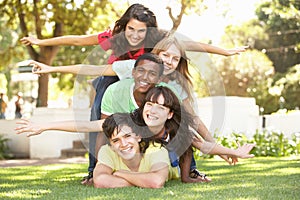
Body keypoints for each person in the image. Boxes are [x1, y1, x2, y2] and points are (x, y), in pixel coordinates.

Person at [20, 3, 248, 184]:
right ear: (124, 26)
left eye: (142, 31)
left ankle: (191, 170)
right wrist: (44, 51)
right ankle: (94, 169)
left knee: (183, 121)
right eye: (131, 29)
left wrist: (223, 52)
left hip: (148, 78)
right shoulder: (115, 42)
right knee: (100, 110)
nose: (136, 35)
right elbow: (81, 47)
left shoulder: (160, 55)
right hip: (119, 76)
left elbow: (190, 45)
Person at [15, 86, 255, 185]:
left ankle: (187, 176)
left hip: (168, 157)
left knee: (187, 146)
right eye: (149, 103)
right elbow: (90, 126)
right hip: (146, 157)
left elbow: (204, 146)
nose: (152, 109)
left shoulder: (175, 128)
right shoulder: (133, 121)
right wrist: (44, 126)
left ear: (170, 113)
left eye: (160, 106)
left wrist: (233, 152)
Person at [93, 113, 178, 188]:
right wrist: (144, 182)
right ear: (111, 145)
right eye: (116, 140)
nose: (123, 144)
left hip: (175, 167)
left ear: (138, 136)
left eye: (127, 136)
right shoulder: (107, 151)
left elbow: (156, 182)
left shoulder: (156, 149)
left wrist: (121, 174)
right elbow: (100, 180)